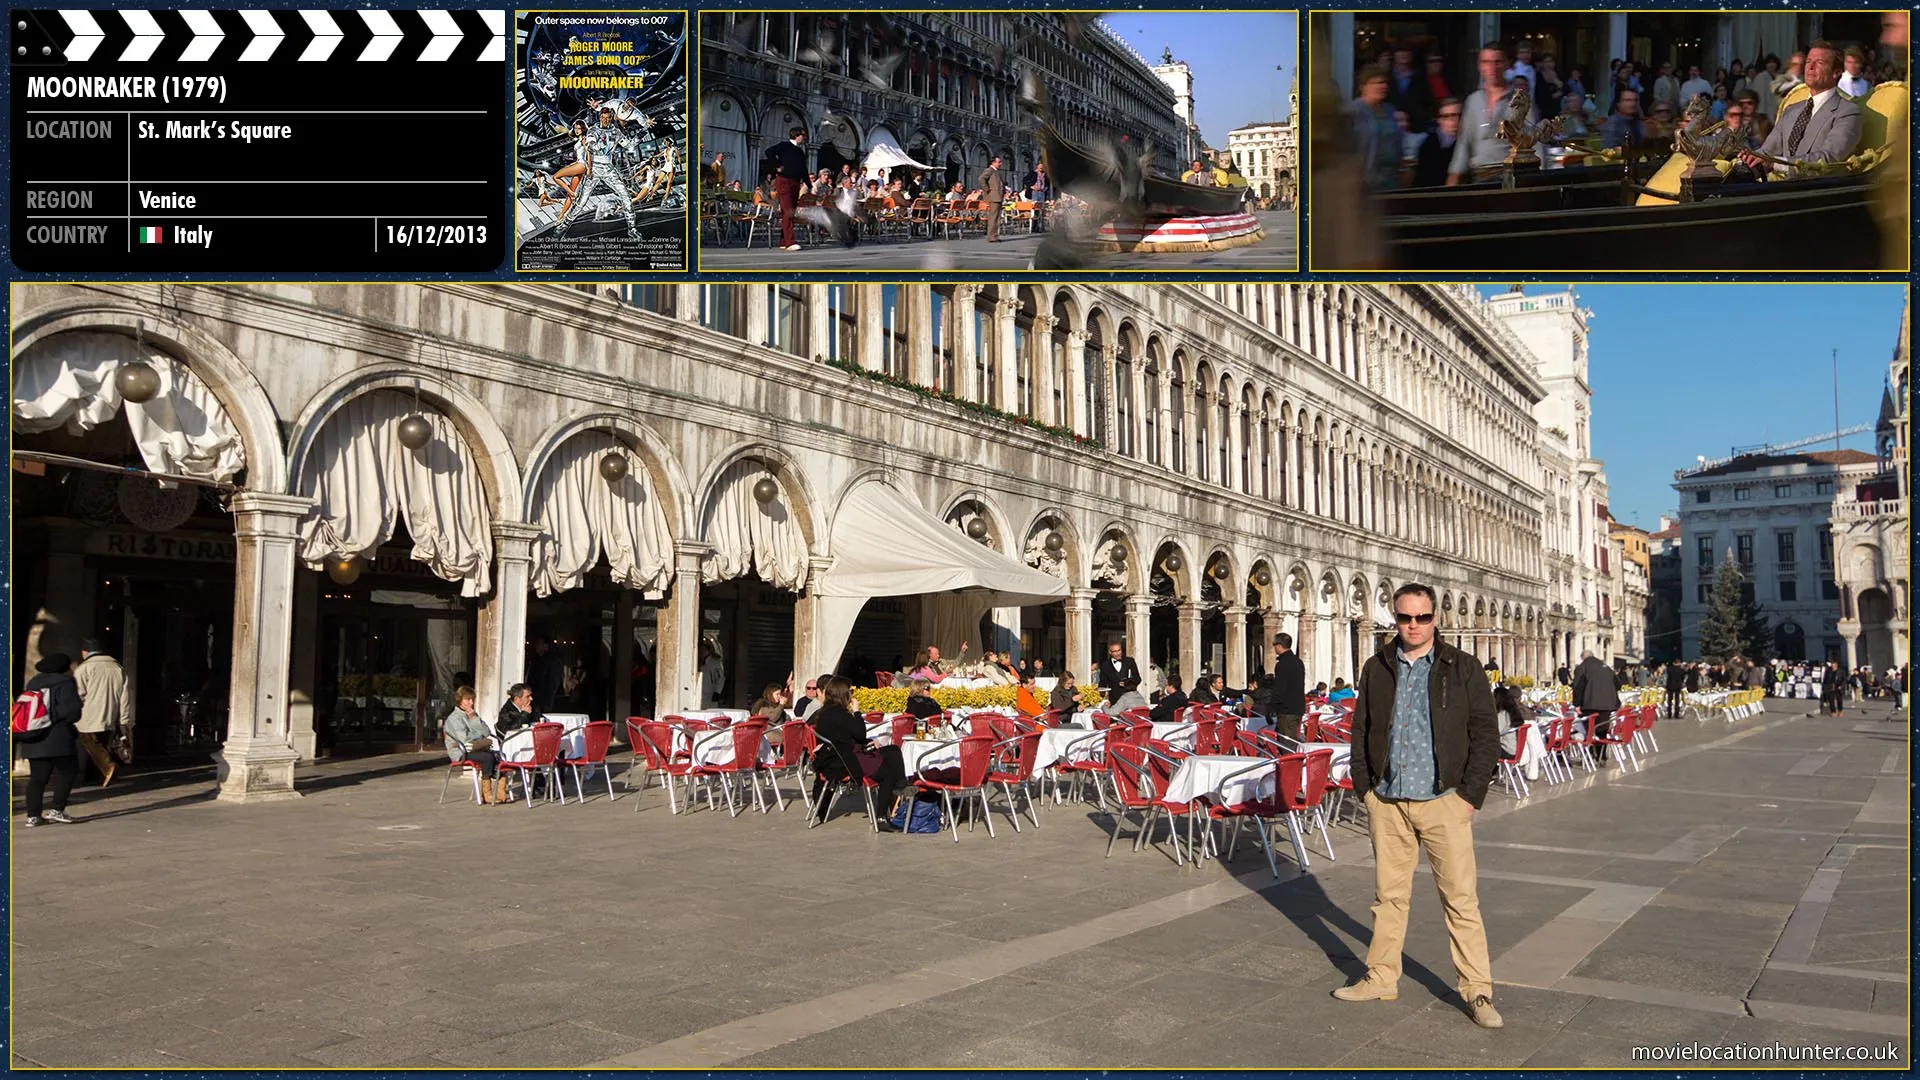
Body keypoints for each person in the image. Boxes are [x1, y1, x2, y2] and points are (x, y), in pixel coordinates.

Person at [1335, 583, 1501, 1029]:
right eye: (1405, 618)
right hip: (1388, 801)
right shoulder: (1377, 666)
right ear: (1395, 618)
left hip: (1444, 800)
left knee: (1461, 899)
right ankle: (1381, 977)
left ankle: (1477, 991)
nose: (1413, 626)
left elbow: (1485, 733)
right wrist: (1365, 788)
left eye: (1421, 618)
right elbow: (1361, 727)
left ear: (1434, 618)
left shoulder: (1462, 668)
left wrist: (1469, 796)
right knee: (1388, 898)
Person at [1741, 42, 1862, 172]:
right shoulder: (1791, 110)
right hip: (1780, 187)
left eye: (1819, 63)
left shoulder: (1848, 112)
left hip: (1819, 188)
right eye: (1808, 61)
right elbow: (1766, 152)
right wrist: (1749, 160)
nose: (1810, 67)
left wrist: (1775, 164)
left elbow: (1829, 158)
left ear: (1836, 72)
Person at [806, 676, 906, 829]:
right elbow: (860, 734)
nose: (852, 694)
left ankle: (901, 785)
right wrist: (857, 711)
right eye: (850, 691)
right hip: (845, 759)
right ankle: (881, 818)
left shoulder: (827, 711)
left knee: (893, 750)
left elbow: (847, 736)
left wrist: (867, 743)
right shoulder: (838, 713)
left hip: (842, 753)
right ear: (843, 694)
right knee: (887, 773)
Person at [1448, 43, 1538, 184]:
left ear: (1507, 64)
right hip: (1479, 177)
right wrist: (1453, 178)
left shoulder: (1521, 100)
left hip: (1510, 177)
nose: (1492, 68)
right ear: (1480, 66)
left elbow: (1535, 142)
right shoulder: (1473, 101)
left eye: (1497, 62)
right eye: (1486, 62)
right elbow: (1464, 143)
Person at [19, 653, 83, 826]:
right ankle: (57, 810)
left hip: (33, 737)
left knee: (37, 778)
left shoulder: (33, 682)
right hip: (58, 737)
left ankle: (33, 816)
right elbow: (72, 712)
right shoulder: (65, 683)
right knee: (67, 772)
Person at [73, 637, 130, 782]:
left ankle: (107, 766)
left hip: (88, 714)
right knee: (103, 744)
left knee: (88, 743)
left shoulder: (84, 668)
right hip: (111, 714)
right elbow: (125, 697)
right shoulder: (118, 668)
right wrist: (123, 719)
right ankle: (101, 776)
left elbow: (78, 694)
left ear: (84, 652)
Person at [443, 686, 505, 804]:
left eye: (473, 699)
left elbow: (487, 732)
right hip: (460, 751)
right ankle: (487, 793)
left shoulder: (473, 715)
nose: (471, 703)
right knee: (487, 758)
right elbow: (464, 739)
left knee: (499, 756)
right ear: (459, 700)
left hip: (476, 748)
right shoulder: (453, 718)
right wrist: (479, 735)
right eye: (468, 699)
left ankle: (501, 791)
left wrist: (474, 719)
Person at [1351, 65, 1401, 192]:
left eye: (1385, 82)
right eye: (1378, 82)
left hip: (1391, 179)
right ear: (1363, 86)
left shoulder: (1390, 110)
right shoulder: (1353, 111)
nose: (1383, 86)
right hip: (1366, 182)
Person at [765, 126, 809, 252]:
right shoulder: (784, 145)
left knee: (789, 211)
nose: (804, 138)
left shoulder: (800, 152)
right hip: (784, 181)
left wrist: (808, 185)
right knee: (788, 210)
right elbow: (769, 152)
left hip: (795, 182)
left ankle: (784, 241)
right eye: (803, 135)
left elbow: (803, 169)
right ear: (797, 135)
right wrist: (777, 165)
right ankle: (790, 241)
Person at [1572, 650, 1620, 753]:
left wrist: (1577, 704)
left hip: (1590, 703)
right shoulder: (1606, 667)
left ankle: (1591, 752)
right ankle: (1601, 755)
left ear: (1583, 658)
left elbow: (1577, 687)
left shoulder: (1582, 668)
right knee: (1602, 729)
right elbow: (1618, 684)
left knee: (1589, 729)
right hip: (1608, 703)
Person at [1413, 99, 1461, 187]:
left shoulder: (1468, 142)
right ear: (1439, 120)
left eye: (1457, 115)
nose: (1452, 120)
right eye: (1446, 117)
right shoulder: (1428, 145)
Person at [979, 155, 1006, 242]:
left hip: (998, 196)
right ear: (993, 162)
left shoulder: (997, 171)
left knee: (997, 217)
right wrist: (987, 189)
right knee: (993, 217)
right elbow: (981, 179)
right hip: (993, 196)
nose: (1000, 164)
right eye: (999, 162)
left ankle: (995, 235)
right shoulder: (989, 170)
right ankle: (991, 236)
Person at [698, 639, 725, 707]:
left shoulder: (714, 663)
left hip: (710, 695)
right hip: (700, 694)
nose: (701, 652)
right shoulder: (698, 662)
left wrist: (717, 692)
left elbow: (720, 678)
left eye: (703, 649)